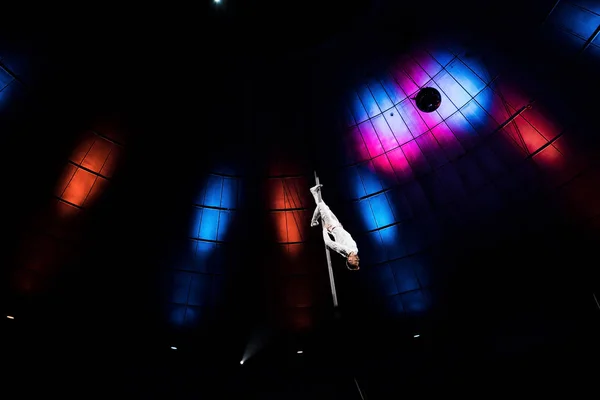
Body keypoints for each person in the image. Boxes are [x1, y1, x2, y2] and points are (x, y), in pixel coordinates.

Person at [310, 184, 360, 270]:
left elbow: (328, 242)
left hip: (331, 226)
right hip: (337, 224)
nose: (357, 259)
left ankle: (313, 221)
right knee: (325, 207)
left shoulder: (343, 250)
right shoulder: (355, 250)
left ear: (349, 260)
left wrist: (325, 229)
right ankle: (314, 192)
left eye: (356, 261)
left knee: (321, 206)